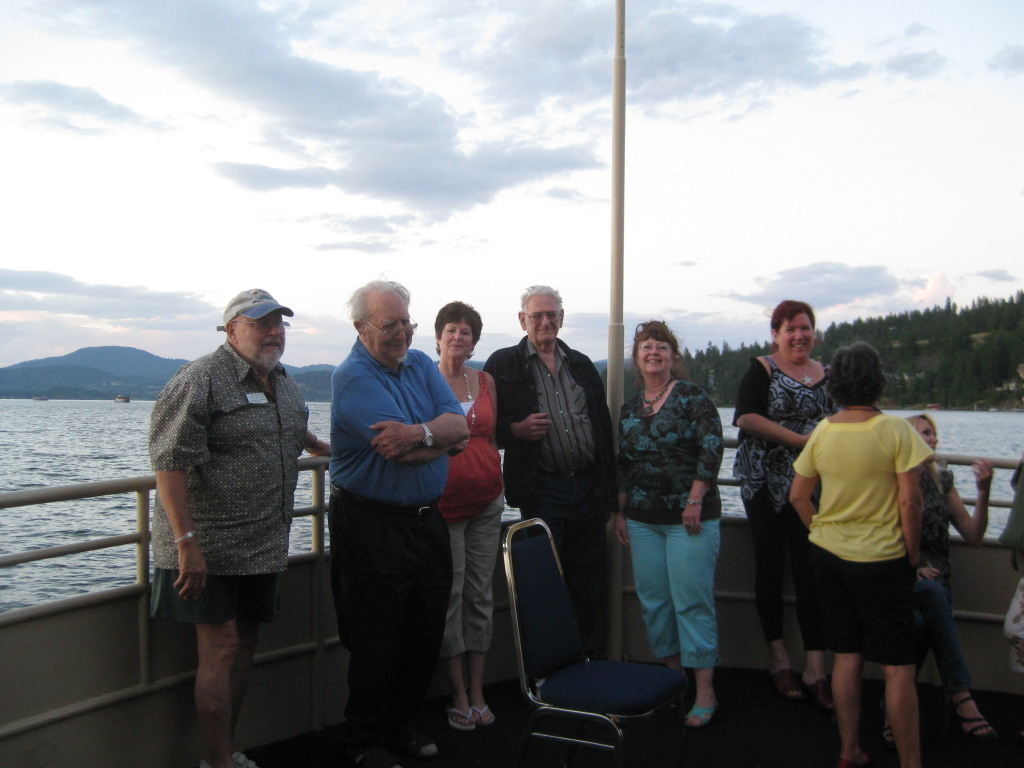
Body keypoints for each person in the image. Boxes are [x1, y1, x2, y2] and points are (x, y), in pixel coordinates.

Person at [149, 289, 330, 768]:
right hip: (207, 544)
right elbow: (168, 464)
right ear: (231, 330)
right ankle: (217, 762)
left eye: (279, 324)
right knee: (223, 647)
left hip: (262, 542)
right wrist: (186, 543)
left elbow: (294, 432)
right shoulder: (201, 379)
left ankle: (224, 751)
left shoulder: (283, 381)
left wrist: (327, 446)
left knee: (245, 645)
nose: (273, 333)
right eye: (260, 324)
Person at [329, 280, 470, 768]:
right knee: (376, 637)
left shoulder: (421, 364)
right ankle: (364, 741)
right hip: (371, 523)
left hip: (427, 521)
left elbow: (461, 426)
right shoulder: (352, 378)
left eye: (407, 323)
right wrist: (441, 440)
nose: (402, 333)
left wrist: (421, 433)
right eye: (390, 324)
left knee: (424, 630)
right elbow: (401, 453)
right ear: (361, 327)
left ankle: (404, 725)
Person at [790, 342, 932, 768]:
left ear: (835, 384)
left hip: (829, 557)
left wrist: (822, 531)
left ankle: (848, 750)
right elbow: (910, 502)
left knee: (846, 656)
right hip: (883, 560)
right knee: (898, 666)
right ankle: (911, 762)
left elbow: (798, 496)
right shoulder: (896, 431)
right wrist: (911, 554)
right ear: (878, 381)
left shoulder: (824, 431)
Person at [484, 285, 616, 654]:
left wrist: (610, 492)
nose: (545, 321)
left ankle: (584, 661)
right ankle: (548, 667)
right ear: (522, 320)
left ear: (561, 318)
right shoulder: (503, 364)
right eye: (536, 315)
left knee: (585, 583)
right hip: (542, 490)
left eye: (551, 314)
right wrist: (515, 430)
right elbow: (485, 426)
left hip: (587, 490)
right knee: (544, 582)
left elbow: (603, 429)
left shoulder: (581, 364)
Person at [613, 321, 723, 728]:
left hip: (689, 519)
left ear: (674, 357)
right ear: (636, 357)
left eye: (661, 346)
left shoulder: (692, 397)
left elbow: (712, 447)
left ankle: (705, 691)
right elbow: (624, 463)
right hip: (642, 520)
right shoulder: (630, 408)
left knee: (691, 602)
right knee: (656, 603)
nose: (654, 352)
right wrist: (620, 512)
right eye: (646, 346)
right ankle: (675, 681)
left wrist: (695, 498)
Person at [732, 300, 834, 708]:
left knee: (812, 571)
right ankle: (779, 659)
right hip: (764, 484)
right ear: (775, 334)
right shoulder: (763, 369)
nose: (798, 336)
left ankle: (816, 667)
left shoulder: (827, 374)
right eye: (790, 329)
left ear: (814, 333)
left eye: (805, 328)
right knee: (771, 567)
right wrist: (802, 442)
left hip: (814, 488)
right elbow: (745, 417)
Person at [889, 414, 995, 743]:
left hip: (937, 583)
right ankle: (962, 698)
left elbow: (973, 535)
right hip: (899, 578)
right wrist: (912, 566)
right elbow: (879, 538)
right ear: (908, 440)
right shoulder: (889, 482)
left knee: (924, 618)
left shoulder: (941, 480)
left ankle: (892, 713)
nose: (934, 439)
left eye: (934, 434)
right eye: (925, 434)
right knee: (930, 600)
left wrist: (983, 492)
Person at [433, 301, 504, 732]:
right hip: (443, 507)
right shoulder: (424, 380)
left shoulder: (485, 381)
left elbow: (491, 438)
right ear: (438, 337)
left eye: (466, 331)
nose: (458, 337)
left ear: (475, 340)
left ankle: (478, 691)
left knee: (480, 596)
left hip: (487, 502)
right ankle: (457, 693)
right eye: (451, 330)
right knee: (451, 597)